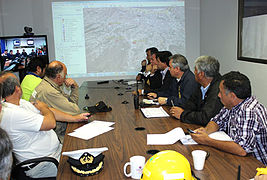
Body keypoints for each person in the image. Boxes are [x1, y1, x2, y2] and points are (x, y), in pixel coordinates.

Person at [0, 72, 89, 178]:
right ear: (17, 89)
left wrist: (75, 118)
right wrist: (44, 108)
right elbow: (50, 123)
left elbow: (50, 111)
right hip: (43, 164)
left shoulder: (20, 103)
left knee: (85, 152)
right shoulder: (12, 113)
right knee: (85, 169)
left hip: (54, 153)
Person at [191, 71, 267, 166]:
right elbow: (217, 121)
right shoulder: (233, 104)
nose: (218, 95)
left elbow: (242, 149)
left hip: (257, 166)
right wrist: (206, 132)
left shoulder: (248, 111)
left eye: (221, 92)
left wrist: (207, 140)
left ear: (232, 96)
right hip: (240, 160)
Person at [30, 60, 80, 141]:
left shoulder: (48, 84)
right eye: (65, 75)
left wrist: (74, 87)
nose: (66, 78)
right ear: (58, 77)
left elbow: (71, 103)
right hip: (54, 136)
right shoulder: (49, 91)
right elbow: (75, 111)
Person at [170, 55, 223, 126]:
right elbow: (190, 104)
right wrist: (181, 111)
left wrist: (183, 115)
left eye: (195, 70)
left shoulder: (218, 90)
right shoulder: (200, 84)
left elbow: (206, 118)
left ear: (201, 74)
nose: (194, 72)